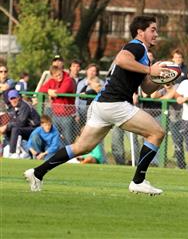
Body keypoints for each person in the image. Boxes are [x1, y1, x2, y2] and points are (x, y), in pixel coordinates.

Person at [24, 15, 171, 195]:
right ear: (140, 32)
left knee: (81, 147)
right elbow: (121, 59)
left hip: (102, 105)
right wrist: (150, 70)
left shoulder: (142, 56)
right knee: (157, 132)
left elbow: (147, 89)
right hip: (115, 104)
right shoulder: (136, 46)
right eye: (153, 30)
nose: (156, 34)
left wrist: (162, 79)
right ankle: (138, 181)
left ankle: (37, 172)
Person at [38, 66, 76, 145]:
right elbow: (41, 89)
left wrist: (53, 92)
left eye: (60, 74)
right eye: (56, 76)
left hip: (67, 115)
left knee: (68, 139)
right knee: (55, 138)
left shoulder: (68, 80)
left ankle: (69, 156)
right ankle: (58, 155)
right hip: (56, 115)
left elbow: (62, 91)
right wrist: (49, 91)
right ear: (52, 76)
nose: (59, 77)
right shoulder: (51, 81)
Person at [0, 90, 40, 156]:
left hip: (36, 128)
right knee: (8, 130)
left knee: (15, 129)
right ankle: (5, 151)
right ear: (9, 99)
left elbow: (21, 123)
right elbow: (14, 121)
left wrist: (6, 126)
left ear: (19, 98)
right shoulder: (13, 107)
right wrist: (5, 127)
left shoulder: (24, 106)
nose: (13, 100)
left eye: (14, 98)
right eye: (11, 98)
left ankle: (12, 153)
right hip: (26, 128)